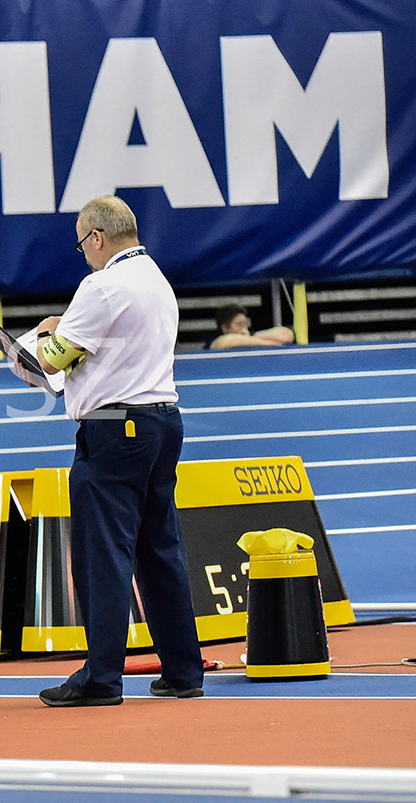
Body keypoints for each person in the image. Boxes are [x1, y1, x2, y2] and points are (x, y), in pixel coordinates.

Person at [28, 195, 205, 707]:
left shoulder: (101, 284)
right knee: (159, 550)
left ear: (98, 238)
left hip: (113, 426)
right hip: (162, 421)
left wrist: (42, 338)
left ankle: (101, 677)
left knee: (102, 555)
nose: (82, 252)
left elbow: (59, 357)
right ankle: (183, 670)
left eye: (82, 242)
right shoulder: (155, 277)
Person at [209, 303, 294, 349]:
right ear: (225, 328)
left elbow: (287, 334)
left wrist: (253, 336)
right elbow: (228, 341)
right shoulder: (216, 343)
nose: (244, 328)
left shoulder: (252, 337)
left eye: (245, 323)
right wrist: (270, 343)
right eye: (239, 324)